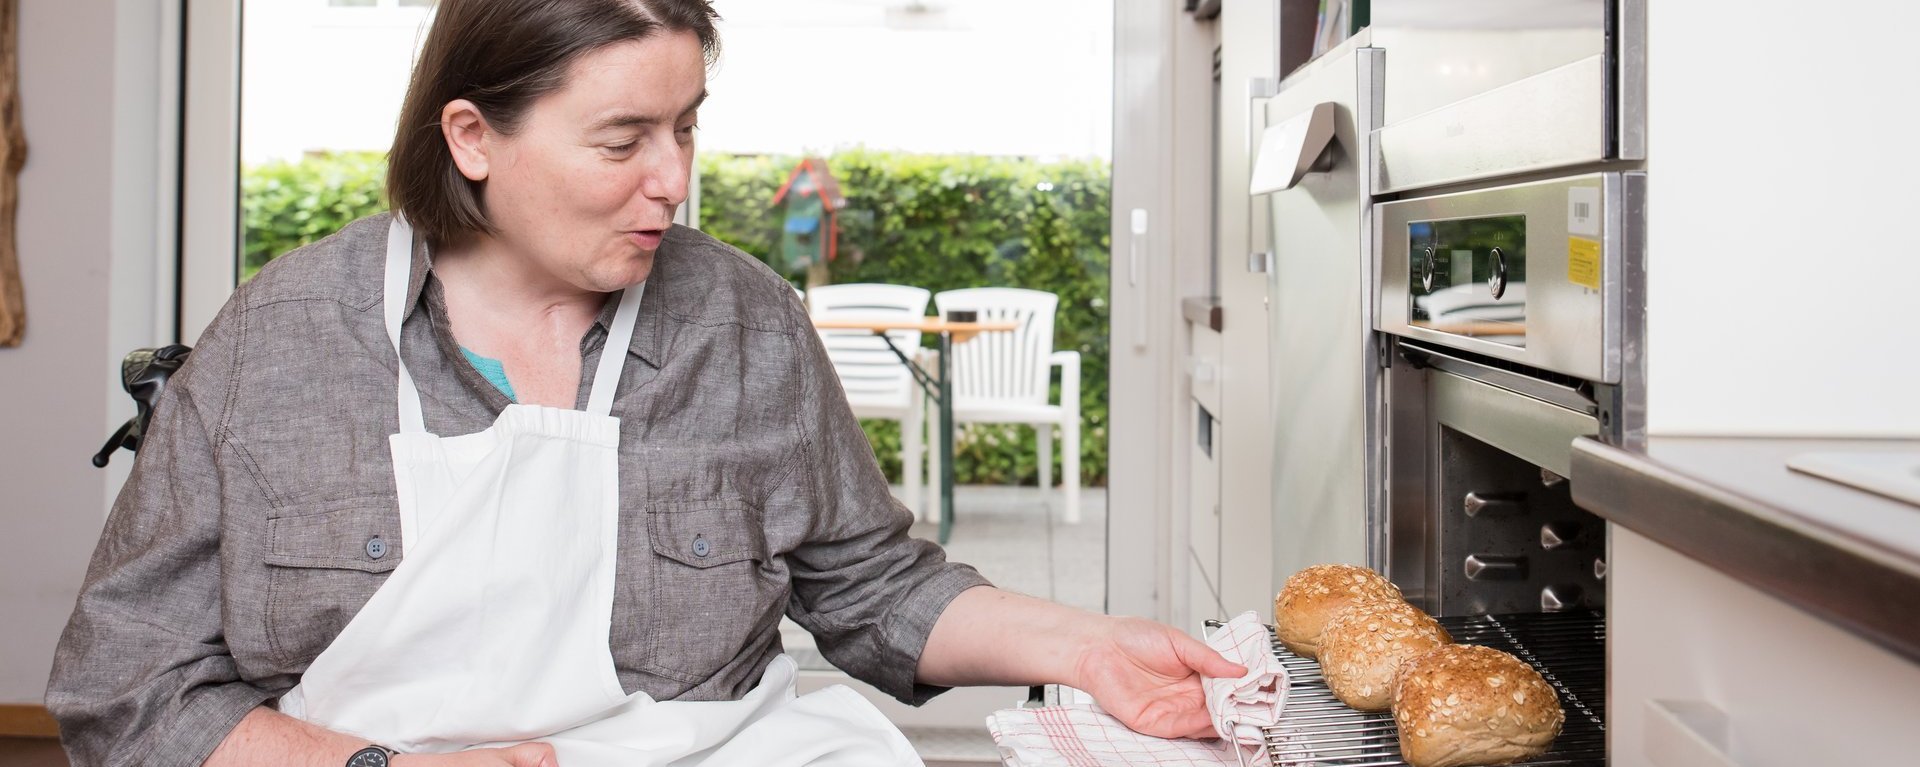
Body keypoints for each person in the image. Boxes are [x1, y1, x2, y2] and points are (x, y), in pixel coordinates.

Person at [45, 1, 1245, 765]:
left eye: (688, 127)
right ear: (472, 138)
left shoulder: (746, 323)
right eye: (622, 141)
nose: (672, 180)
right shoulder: (281, 341)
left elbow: (875, 585)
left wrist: (1087, 647)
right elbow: (129, 683)